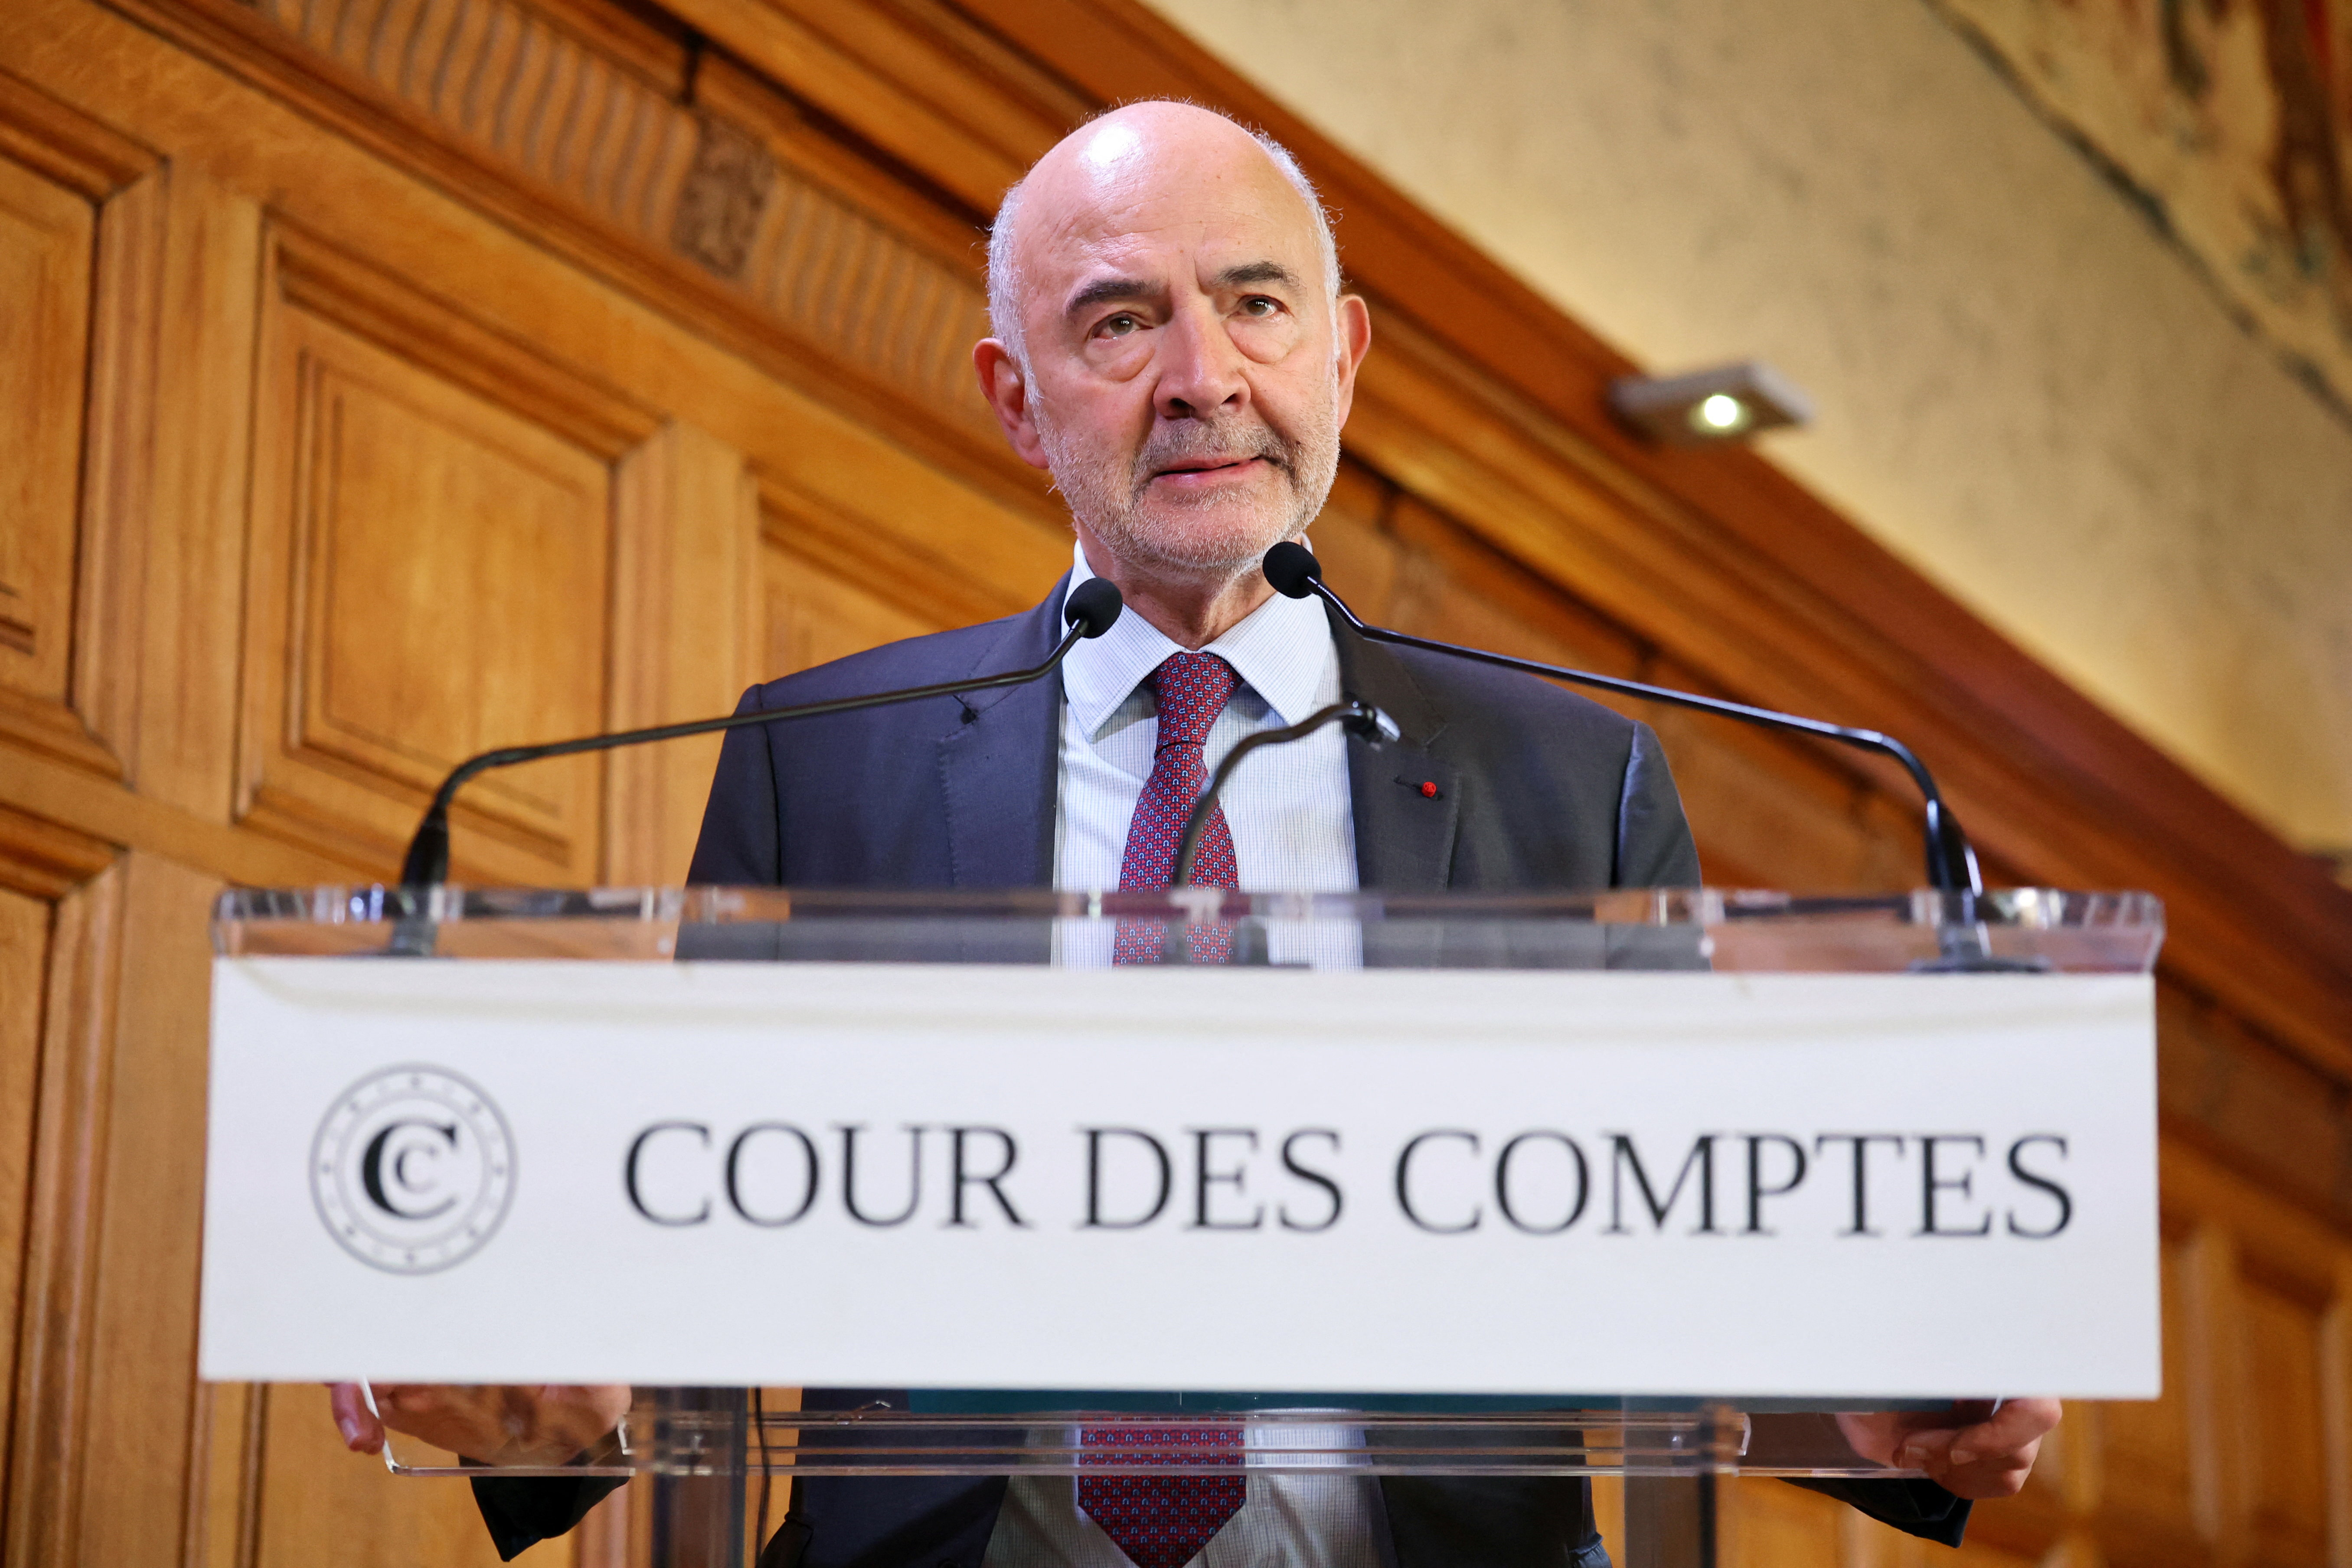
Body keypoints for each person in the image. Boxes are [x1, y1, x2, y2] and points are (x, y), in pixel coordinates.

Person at [333, 100, 2060, 1564]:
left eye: (1254, 306)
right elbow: (684, 1243)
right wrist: (526, 1388)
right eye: (1118, 322)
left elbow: (1695, 1252)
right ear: (1019, 402)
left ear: (1342, 354)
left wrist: (1888, 1401)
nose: (1202, 378)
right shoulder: (829, 758)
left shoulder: (1571, 777)